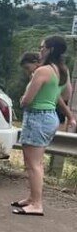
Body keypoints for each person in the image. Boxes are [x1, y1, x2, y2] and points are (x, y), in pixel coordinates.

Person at [14, 36, 74, 216]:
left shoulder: (43, 71)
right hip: (50, 116)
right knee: (35, 162)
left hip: (37, 117)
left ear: (50, 49)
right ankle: (32, 198)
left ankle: (37, 203)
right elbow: (66, 94)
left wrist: (24, 99)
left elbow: (27, 100)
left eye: (42, 47)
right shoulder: (62, 70)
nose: (40, 51)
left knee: (33, 164)